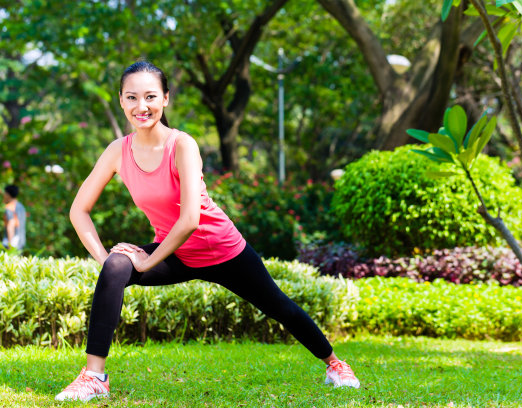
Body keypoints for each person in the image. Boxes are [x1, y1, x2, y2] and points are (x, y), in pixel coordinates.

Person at [55, 61, 360, 402]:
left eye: (151, 96)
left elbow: (190, 220)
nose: (142, 106)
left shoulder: (182, 145)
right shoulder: (117, 151)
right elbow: (78, 210)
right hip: (176, 254)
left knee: (279, 307)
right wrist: (106, 257)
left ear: (166, 98)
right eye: (132, 97)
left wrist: (147, 260)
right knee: (115, 265)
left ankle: (335, 364)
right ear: (122, 102)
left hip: (222, 250)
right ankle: (95, 376)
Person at [2, 184, 26, 251]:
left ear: (8, 194)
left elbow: (11, 225)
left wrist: (10, 244)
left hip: (12, 242)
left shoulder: (10, 207)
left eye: (5, 193)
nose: (4, 196)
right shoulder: (21, 206)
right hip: (21, 241)